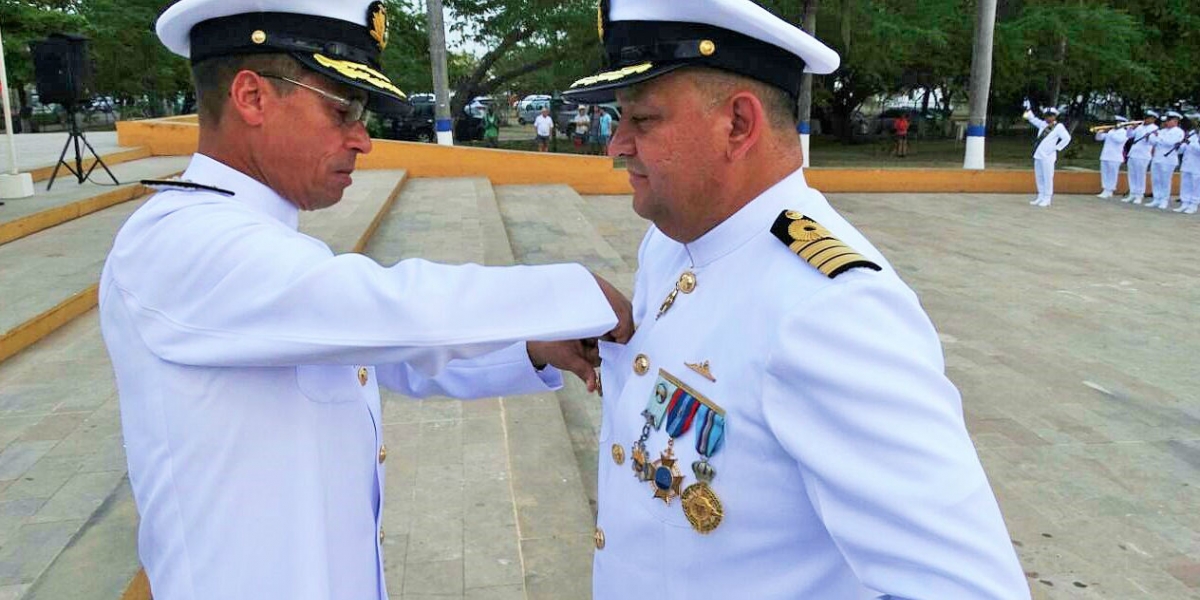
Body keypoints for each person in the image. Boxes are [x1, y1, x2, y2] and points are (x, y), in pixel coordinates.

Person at [100, 2, 634, 599]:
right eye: (342, 110)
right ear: (251, 98)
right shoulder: (178, 240)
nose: (363, 140)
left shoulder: (260, 245)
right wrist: (571, 294)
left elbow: (376, 358)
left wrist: (532, 347)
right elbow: (389, 307)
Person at [563, 0, 1030, 598]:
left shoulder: (830, 311)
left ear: (738, 124)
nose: (617, 146)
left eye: (644, 121)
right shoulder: (674, 241)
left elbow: (967, 588)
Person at [1023, 106, 1072, 207]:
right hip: (1038, 155)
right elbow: (1032, 119)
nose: (1048, 118)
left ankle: (1047, 198)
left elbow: (1067, 138)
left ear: (1055, 116)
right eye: (1046, 116)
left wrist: (1056, 148)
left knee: (1048, 177)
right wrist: (1028, 109)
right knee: (1039, 177)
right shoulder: (1043, 124)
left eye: (1051, 116)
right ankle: (1040, 196)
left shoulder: (1058, 127)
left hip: (1048, 156)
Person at [1146, 110, 1184, 210]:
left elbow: (1170, 142)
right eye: (1166, 120)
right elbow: (1152, 142)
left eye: (1169, 120)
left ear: (1175, 121)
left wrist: (1158, 137)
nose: (1166, 122)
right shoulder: (1162, 131)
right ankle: (1157, 198)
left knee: (1165, 180)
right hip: (1157, 158)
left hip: (1168, 160)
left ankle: (1164, 200)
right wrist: (1151, 136)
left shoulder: (1178, 132)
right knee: (1156, 179)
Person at [1122, 110, 1159, 204]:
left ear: (1153, 119)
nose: (1146, 119)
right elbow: (1129, 136)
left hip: (1143, 155)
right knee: (1132, 174)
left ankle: (1139, 195)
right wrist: (1131, 128)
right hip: (1133, 153)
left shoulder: (1154, 128)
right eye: (1146, 117)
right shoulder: (1140, 126)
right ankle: (1132, 194)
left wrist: (1148, 137)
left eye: (1149, 118)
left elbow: (1154, 142)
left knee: (1140, 175)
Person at [1095, 116, 1133, 198]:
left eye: (1118, 122)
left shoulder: (1124, 132)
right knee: (1105, 173)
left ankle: (1110, 190)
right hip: (1105, 155)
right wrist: (1099, 132)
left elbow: (1119, 140)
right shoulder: (1112, 131)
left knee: (1112, 174)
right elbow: (1099, 138)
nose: (1116, 124)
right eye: (1116, 122)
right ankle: (1105, 189)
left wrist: (1110, 132)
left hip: (1115, 157)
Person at [1176, 113, 1200, 215]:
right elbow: (1184, 149)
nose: (1194, 124)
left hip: (1196, 165)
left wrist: (1191, 143)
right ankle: (1185, 203)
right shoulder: (1192, 134)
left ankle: (1194, 204)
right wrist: (1179, 147)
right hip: (1187, 163)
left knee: (1196, 185)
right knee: (1185, 184)